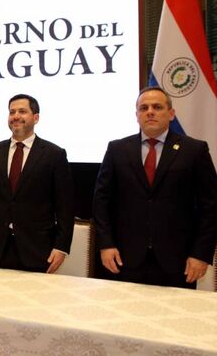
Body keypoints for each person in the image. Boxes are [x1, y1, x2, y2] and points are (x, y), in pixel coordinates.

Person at [93, 86, 217, 288]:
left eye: (157, 107)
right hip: (124, 258)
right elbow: (101, 201)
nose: (150, 112)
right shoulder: (117, 149)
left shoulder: (194, 150)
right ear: (136, 115)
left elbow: (210, 207)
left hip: (179, 261)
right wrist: (106, 244)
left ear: (171, 113)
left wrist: (200, 254)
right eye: (144, 108)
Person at [0, 94, 74, 273]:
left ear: (36, 117)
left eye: (22, 111)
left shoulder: (54, 154)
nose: (16, 116)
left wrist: (61, 246)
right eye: (12, 112)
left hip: (38, 250)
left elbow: (65, 206)